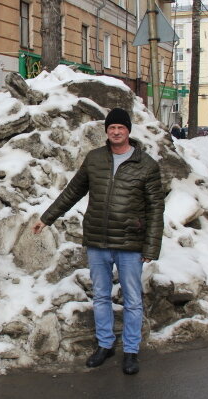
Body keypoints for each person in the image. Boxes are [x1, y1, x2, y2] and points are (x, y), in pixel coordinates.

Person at [31, 108, 164, 375]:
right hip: (98, 241)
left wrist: (151, 247)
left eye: (121, 128)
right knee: (101, 296)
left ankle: (131, 351)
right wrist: (47, 218)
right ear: (107, 131)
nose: (116, 132)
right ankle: (105, 345)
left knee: (133, 299)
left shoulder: (146, 165)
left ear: (128, 131)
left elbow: (155, 209)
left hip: (130, 243)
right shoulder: (95, 159)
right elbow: (72, 192)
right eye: (112, 127)